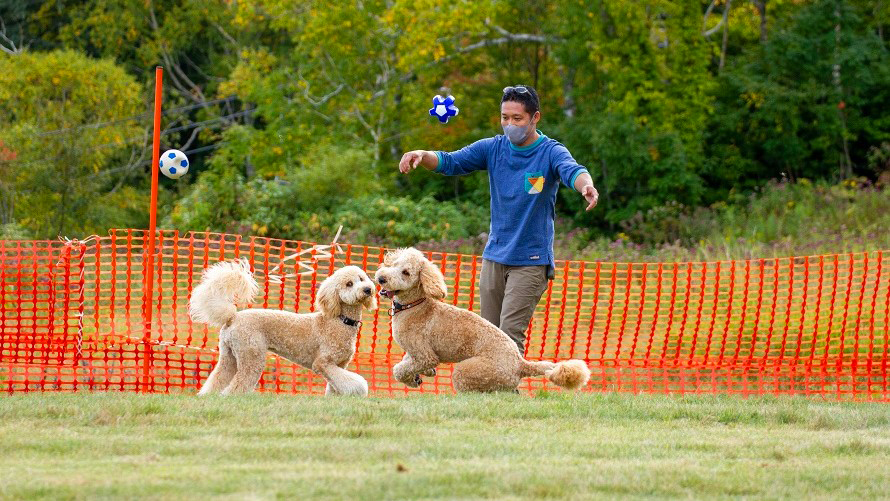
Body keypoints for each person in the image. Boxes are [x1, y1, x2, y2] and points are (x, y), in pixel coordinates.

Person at [397, 85, 598, 353]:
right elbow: (451, 161)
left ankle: (507, 391)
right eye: (505, 117)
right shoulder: (493, 148)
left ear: (534, 117)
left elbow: (573, 170)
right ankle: (489, 394)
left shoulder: (550, 151)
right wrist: (423, 156)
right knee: (487, 333)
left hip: (531, 261)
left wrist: (586, 186)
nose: (510, 124)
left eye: (517, 118)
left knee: (509, 334)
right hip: (495, 256)